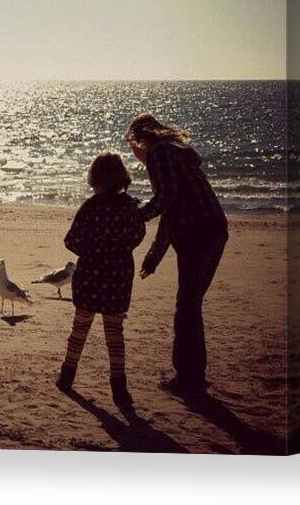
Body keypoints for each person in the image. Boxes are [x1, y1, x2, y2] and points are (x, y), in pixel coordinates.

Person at [126, 114, 228, 397]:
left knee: (187, 306)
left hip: (197, 233)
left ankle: (189, 379)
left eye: (131, 148)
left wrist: (136, 216)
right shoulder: (177, 154)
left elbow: (165, 198)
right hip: (215, 228)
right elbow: (170, 215)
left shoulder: (159, 154)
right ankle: (192, 376)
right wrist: (152, 260)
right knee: (190, 303)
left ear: (139, 140)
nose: (135, 156)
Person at [56, 151, 146, 406]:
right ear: (122, 177)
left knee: (79, 329)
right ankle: (119, 388)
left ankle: (67, 376)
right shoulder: (130, 207)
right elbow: (137, 236)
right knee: (115, 334)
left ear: (95, 178)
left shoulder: (90, 207)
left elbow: (71, 240)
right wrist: (117, 250)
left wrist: (93, 251)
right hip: (118, 277)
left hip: (90, 277)